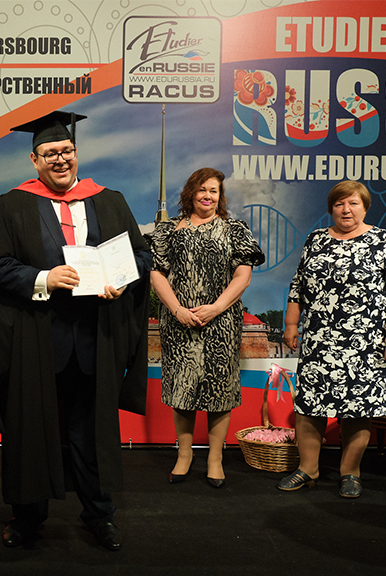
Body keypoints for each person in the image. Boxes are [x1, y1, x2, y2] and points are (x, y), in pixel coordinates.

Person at [0, 111, 151, 551]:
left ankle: (100, 515)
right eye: (51, 153)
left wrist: (121, 279)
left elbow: (141, 256)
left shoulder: (108, 200)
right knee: (31, 429)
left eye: (67, 151)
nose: (61, 160)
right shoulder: (11, 204)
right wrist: (43, 278)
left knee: (92, 430)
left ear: (76, 154)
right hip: (36, 339)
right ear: (34, 160)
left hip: (94, 338)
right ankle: (28, 517)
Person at [149, 167, 264, 488]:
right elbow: (156, 272)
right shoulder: (167, 230)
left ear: (220, 195)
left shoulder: (235, 230)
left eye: (213, 190)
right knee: (182, 389)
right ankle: (184, 455)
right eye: (202, 189)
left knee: (219, 391)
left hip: (222, 323)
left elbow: (243, 275)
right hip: (179, 322)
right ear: (190, 193)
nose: (208, 196)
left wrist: (216, 307)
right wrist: (175, 309)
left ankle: (215, 458)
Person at [279, 180, 386, 498]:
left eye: (353, 203)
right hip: (319, 340)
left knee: (358, 409)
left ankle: (350, 473)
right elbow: (298, 284)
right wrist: (290, 323)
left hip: (365, 342)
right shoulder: (315, 239)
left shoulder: (381, 241)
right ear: (331, 209)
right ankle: (307, 469)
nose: (346, 209)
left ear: (365, 207)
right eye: (340, 203)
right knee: (310, 406)